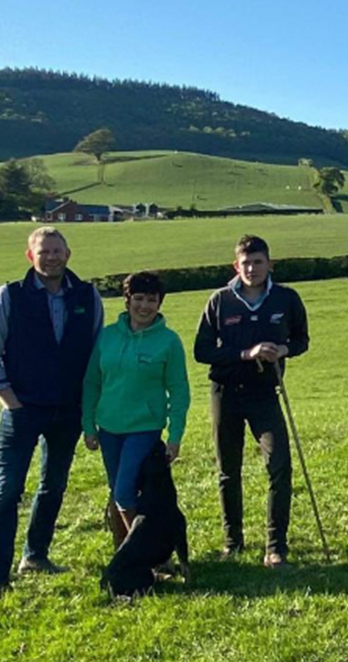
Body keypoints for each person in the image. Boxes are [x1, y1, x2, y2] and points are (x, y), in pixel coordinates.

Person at [0, 226, 103, 609]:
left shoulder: (87, 295)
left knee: (54, 486)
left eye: (57, 250)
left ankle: (35, 556)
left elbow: (97, 354)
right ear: (30, 256)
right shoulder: (9, 296)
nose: (51, 257)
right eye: (43, 251)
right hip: (22, 411)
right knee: (7, 492)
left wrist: (89, 409)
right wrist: (8, 399)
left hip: (68, 411)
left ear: (68, 253)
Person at [194, 235, 309, 568]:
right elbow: (202, 351)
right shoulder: (219, 301)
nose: (252, 268)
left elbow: (301, 340)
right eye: (245, 263)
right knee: (228, 471)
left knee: (279, 466)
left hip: (266, 394)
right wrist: (245, 353)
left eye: (258, 262)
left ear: (269, 264)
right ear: (236, 266)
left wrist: (284, 349)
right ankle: (233, 543)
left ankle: (276, 547)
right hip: (225, 393)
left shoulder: (286, 299)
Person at [82, 271, 190, 549]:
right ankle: (124, 550)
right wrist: (88, 426)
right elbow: (92, 382)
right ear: (127, 301)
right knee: (116, 490)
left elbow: (179, 391)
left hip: (144, 428)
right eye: (138, 299)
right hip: (108, 428)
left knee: (124, 491)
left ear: (160, 303)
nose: (144, 306)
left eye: (151, 300)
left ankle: (144, 551)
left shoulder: (168, 341)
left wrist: (175, 436)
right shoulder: (107, 337)